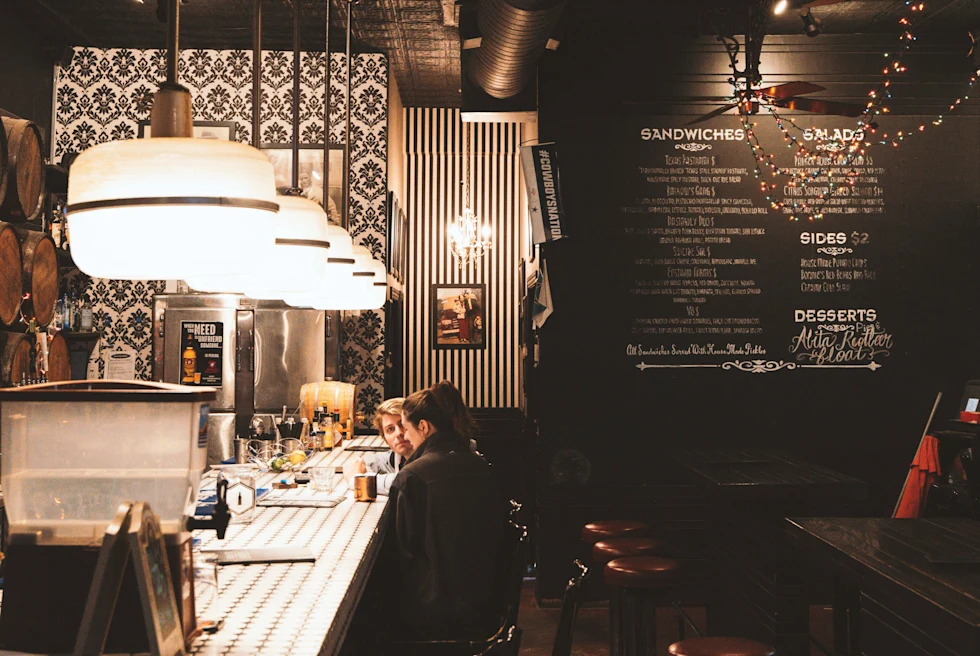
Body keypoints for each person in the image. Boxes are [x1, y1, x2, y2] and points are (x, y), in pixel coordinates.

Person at [389, 381, 504, 639]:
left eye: (406, 429)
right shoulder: (481, 466)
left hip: (435, 609)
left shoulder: (412, 476)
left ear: (424, 427)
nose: (404, 437)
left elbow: (403, 552)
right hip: (485, 600)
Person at [342, 397, 413, 495]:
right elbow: (354, 465)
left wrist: (359, 480)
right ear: (385, 439)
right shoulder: (398, 456)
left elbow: (404, 482)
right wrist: (358, 467)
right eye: (390, 429)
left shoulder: (428, 456)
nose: (398, 433)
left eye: (402, 425)